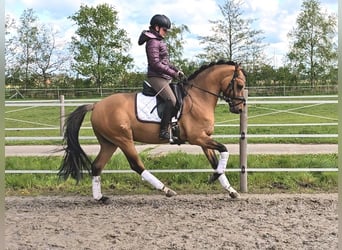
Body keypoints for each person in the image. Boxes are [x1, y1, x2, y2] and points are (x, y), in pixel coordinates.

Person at [138, 14, 184, 140]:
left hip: (162, 76)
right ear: (156, 28)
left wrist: (176, 70)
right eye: (164, 30)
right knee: (172, 100)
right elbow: (155, 63)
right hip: (156, 77)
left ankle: (174, 124)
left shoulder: (158, 41)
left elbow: (165, 62)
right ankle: (163, 131)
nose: (166, 33)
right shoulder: (152, 42)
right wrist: (172, 73)